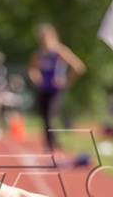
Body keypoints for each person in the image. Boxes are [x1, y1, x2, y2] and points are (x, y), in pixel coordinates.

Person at [28, 24, 86, 152]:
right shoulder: (39, 53)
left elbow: (79, 67)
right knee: (44, 117)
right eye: (41, 38)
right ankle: (51, 142)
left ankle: (52, 144)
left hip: (55, 90)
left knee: (50, 115)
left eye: (45, 37)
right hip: (43, 88)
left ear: (52, 36)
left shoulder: (60, 51)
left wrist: (66, 81)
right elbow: (32, 69)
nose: (43, 41)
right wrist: (35, 77)